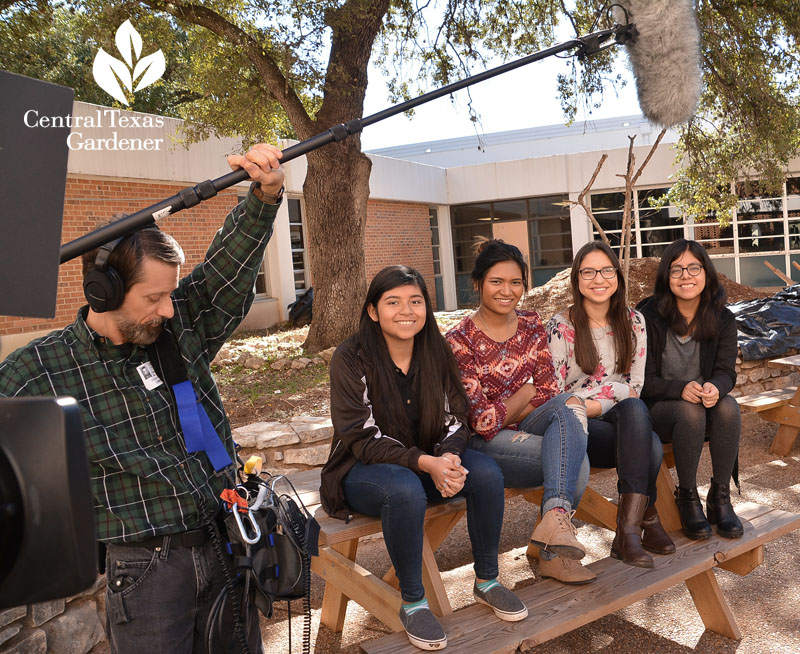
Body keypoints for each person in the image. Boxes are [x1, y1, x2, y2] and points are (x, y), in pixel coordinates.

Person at [0, 143, 286, 653]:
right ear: (103, 293)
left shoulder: (179, 328)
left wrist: (264, 195)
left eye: (170, 294)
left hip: (226, 544)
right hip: (146, 573)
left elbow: (227, 272)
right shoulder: (40, 368)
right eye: (153, 298)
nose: (169, 310)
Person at [320, 265, 528, 651]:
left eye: (415, 301)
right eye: (393, 302)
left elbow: (456, 416)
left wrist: (447, 457)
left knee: (485, 473)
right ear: (372, 311)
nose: (406, 311)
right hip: (362, 470)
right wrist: (427, 464)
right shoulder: (352, 357)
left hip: (428, 461)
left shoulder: (436, 350)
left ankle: (488, 581)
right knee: (403, 490)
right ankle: (413, 603)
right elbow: (361, 438)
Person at [446, 239, 594, 585]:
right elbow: (481, 423)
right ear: (478, 283)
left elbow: (550, 390)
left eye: (516, 282)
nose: (507, 290)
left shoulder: (530, 323)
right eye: (497, 281)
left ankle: (553, 524)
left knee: (569, 403)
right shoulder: (459, 339)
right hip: (483, 444)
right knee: (577, 460)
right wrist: (525, 393)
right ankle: (551, 551)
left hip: (522, 424)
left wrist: (513, 407)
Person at [546, 241, 675, 569]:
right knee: (652, 445)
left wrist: (613, 397)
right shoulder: (561, 327)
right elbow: (558, 397)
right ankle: (645, 520)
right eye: (588, 272)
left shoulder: (634, 322)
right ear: (576, 280)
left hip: (621, 419)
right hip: (577, 428)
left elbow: (636, 387)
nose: (598, 279)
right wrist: (612, 395)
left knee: (637, 413)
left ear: (617, 276)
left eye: (606, 270)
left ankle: (627, 531)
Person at [637, 238, 743, 540]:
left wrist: (715, 387)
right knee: (689, 411)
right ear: (666, 276)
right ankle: (687, 496)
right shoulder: (647, 316)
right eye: (677, 269)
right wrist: (680, 388)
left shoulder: (722, 317)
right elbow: (643, 380)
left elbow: (726, 372)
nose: (686, 276)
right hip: (661, 410)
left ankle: (720, 497)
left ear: (706, 273)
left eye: (693, 268)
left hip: (703, 407)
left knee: (728, 405)